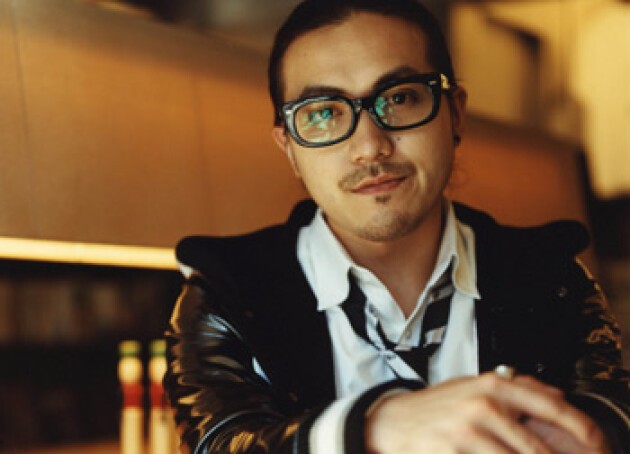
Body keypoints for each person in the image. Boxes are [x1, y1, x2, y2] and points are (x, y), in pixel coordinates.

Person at [164, 0, 630, 452]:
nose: (370, 146)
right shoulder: (226, 294)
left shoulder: (552, 278)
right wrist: (372, 427)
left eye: (400, 98)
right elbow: (218, 442)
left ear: (455, 112)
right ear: (289, 149)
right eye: (324, 113)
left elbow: (612, 418)